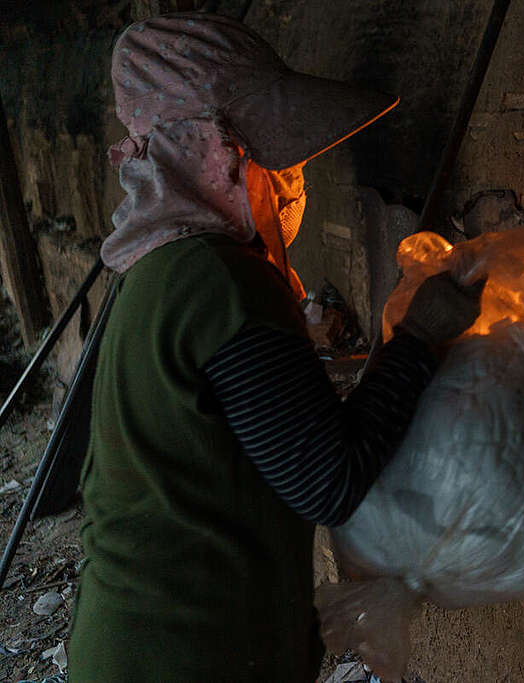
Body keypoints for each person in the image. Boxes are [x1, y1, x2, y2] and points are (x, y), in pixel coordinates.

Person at [66, 12, 483, 682]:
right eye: (267, 161)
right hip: (190, 655)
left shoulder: (156, 269)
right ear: (214, 153)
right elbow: (329, 480)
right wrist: (419, 336)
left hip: (133, 647)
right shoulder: (222, 277)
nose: (288, 183)